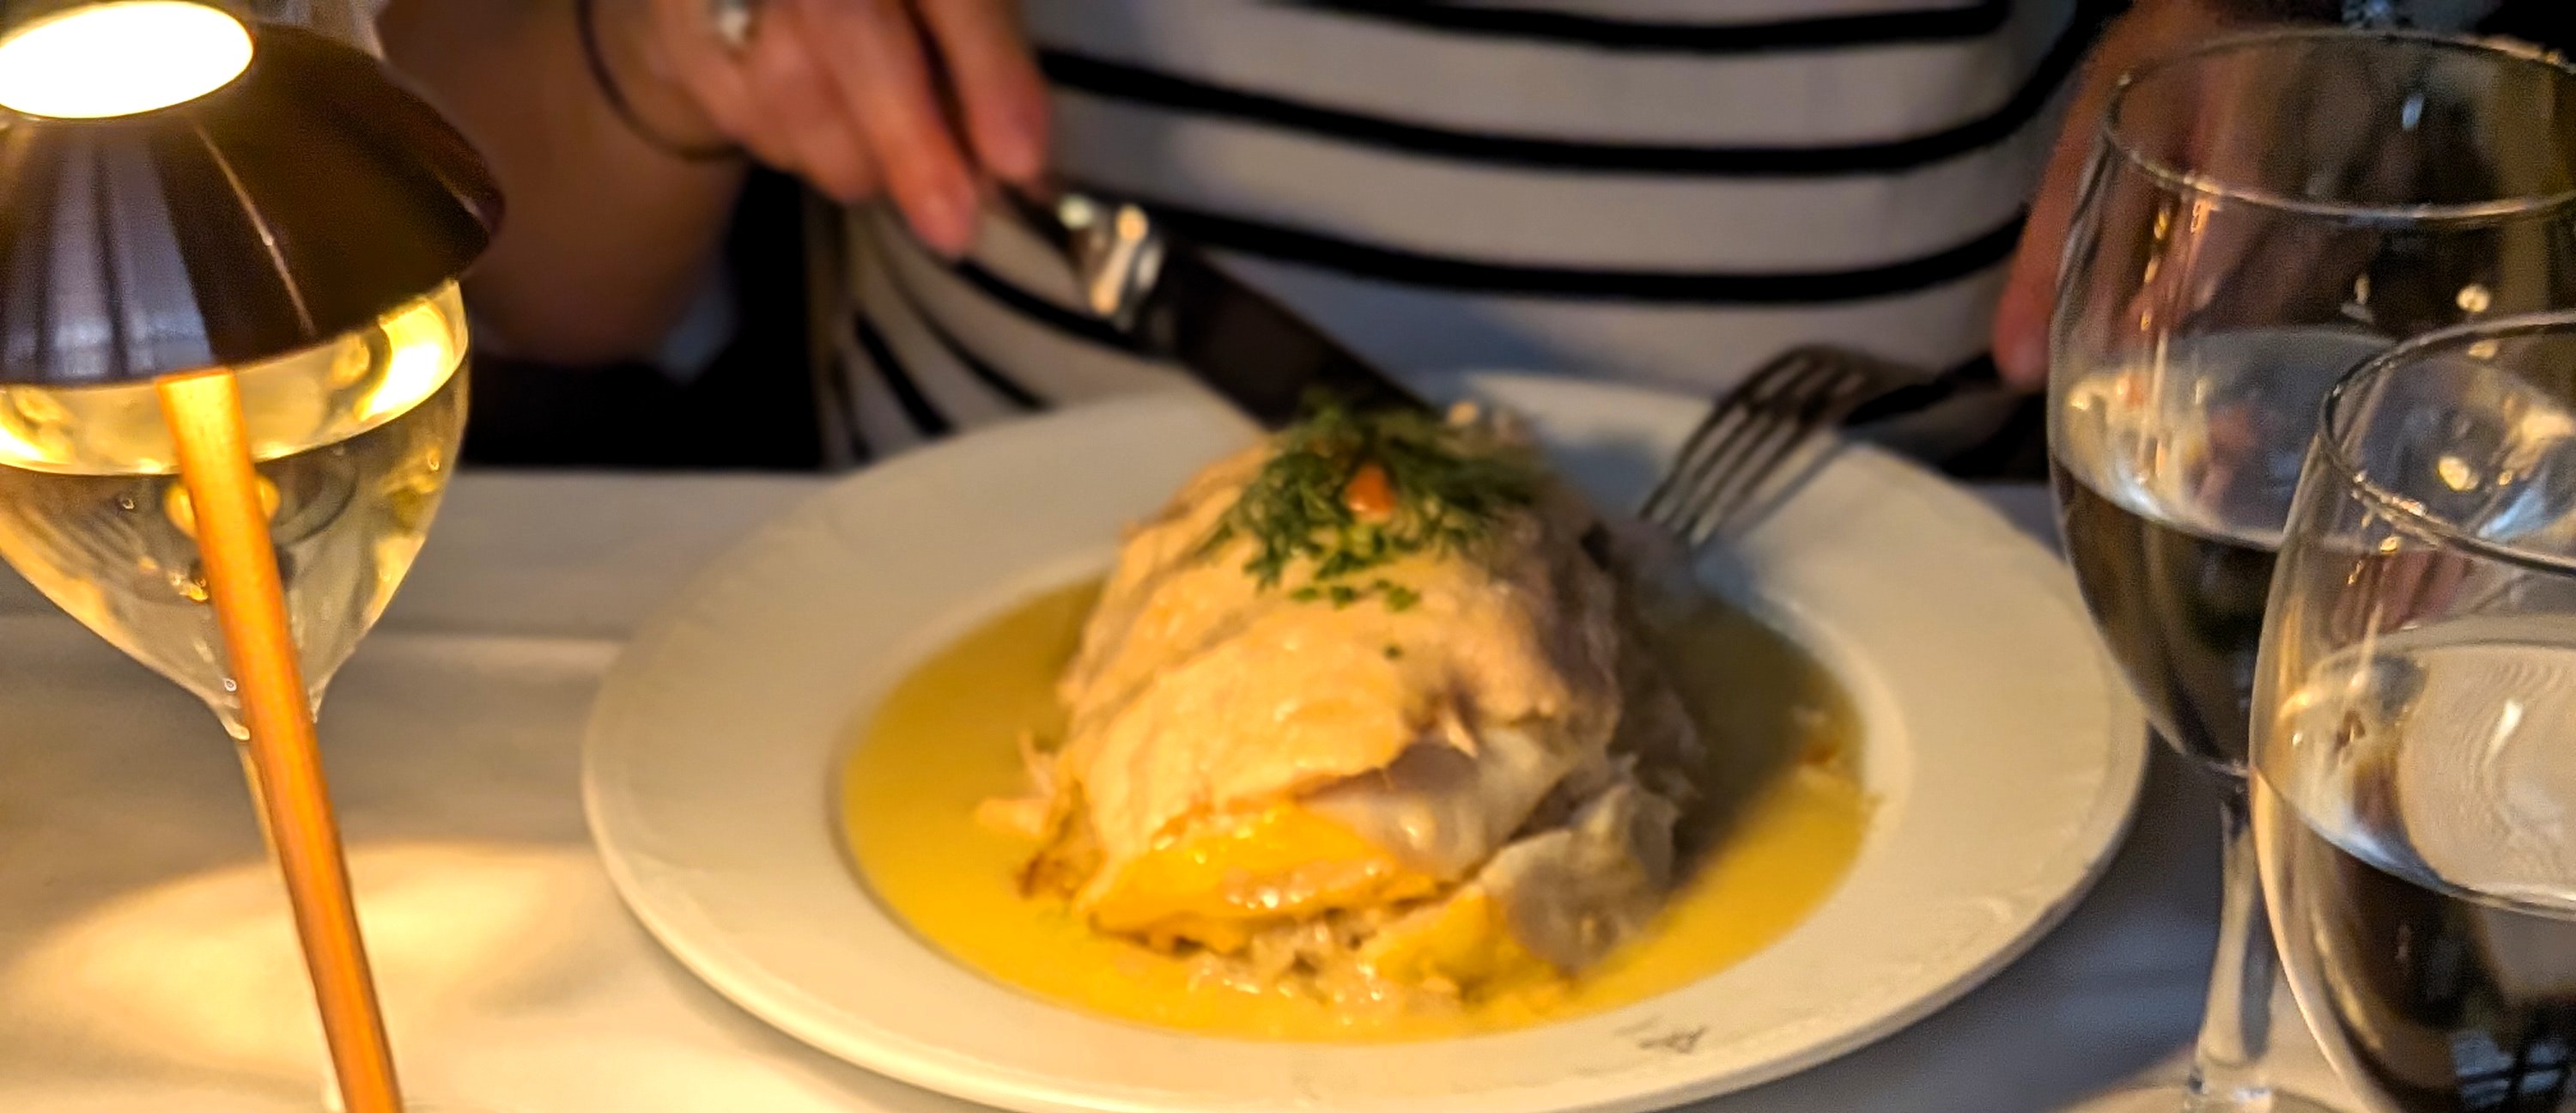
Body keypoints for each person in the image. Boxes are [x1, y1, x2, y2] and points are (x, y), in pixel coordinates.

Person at [375, 0, 2531, 465]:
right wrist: (662, 49)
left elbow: (2442, 154)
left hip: (1958, 685)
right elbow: (538, 275)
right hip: (937, 745)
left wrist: (2337, 39)